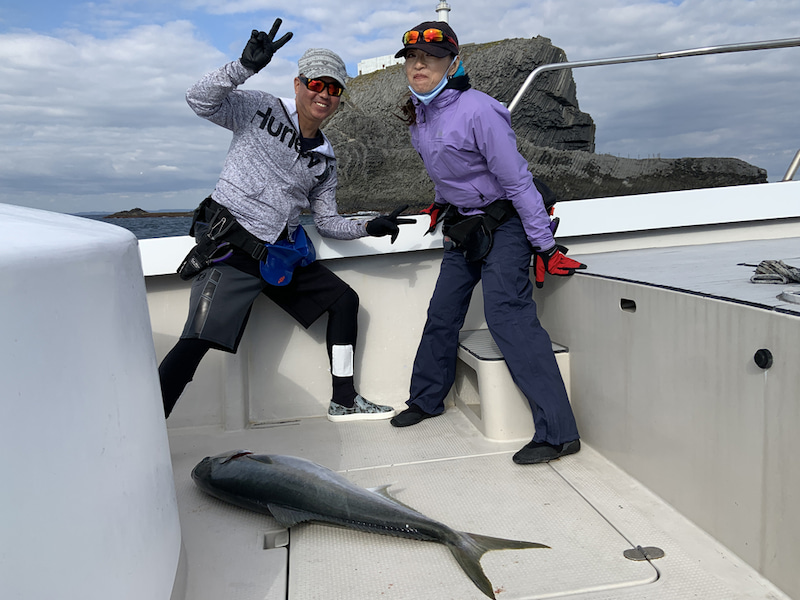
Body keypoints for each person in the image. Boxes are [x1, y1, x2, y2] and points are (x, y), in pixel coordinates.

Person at [159, 19, 411, 421]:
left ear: (339, 98)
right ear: (298, 84)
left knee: (344, 301)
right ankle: (146, 432)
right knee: (195, 343)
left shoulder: (325, 159)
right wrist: (243, 66)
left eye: (334, 89)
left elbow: (327, 221)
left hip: (280, 257)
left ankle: (344, 400)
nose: (324, 94)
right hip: (231, 250)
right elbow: (199, 100)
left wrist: (367, 226)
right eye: (316, 84)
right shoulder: (259, 108)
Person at [390, 21, 587, 464]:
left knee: (507, 316)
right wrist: (440, 203)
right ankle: (426, 399)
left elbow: (517, 182)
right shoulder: (419, 115)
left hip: (506, 224)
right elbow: (449, 171)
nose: (419, 64)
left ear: (453, 64)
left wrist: (545, 247)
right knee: (442, 312)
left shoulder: (480, 110)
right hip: (463, 226)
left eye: (431, 57)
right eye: (413, 57)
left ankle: (559, 433)